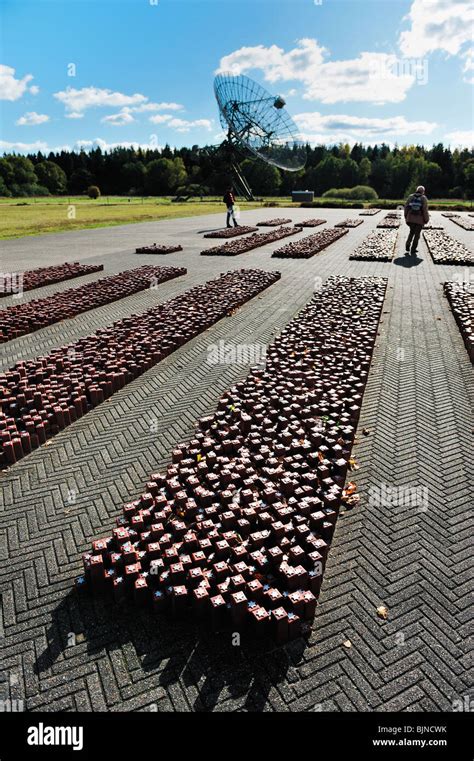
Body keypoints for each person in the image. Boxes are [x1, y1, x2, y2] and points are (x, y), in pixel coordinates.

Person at [404, 185, 429, 255]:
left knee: (411, 232)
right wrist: (426, 219)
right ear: (423, 191)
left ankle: (407, 244)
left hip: (410, 218)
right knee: (417, 235)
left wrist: (406, 216)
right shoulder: (423, 198)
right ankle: (413, 249)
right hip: (419, 219)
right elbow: (425, 210)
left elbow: (406, 207)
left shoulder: (410, 196)